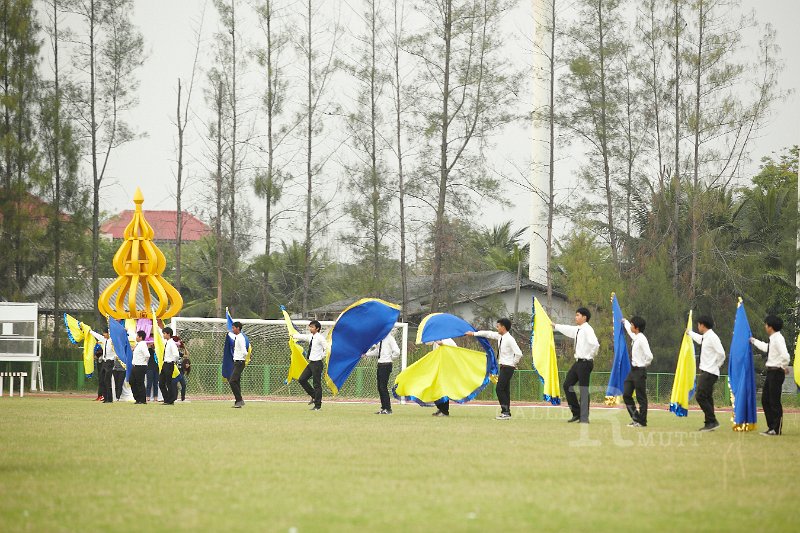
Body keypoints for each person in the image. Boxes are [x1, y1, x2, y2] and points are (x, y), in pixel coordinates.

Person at [467, 318, 523, 420]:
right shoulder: (500, 337)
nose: (497, 328)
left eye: (498, 326)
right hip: (503, 366)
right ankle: (506, 413)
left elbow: (519, 353)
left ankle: (505, 412)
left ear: (503, 327)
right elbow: (488, 334)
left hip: (508, 367)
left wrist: (513, 363)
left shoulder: (510, 339)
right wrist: (474, 334)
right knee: (505, 390)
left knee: (499, 389)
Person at [553, 307, 600, 423]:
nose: (576, 317)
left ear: (584, 317)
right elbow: (568, 329)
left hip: (585, 362)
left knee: (583, 389)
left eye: (578, 315)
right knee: (567, 384)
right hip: (578, 362)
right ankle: (577, 413)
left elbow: (595, 344)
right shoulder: (579, 329)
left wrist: (590, 356)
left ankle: (584, 417)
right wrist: (555, 326)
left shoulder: (588, 329)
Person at [750, 315, 790, 436]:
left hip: (776, 372)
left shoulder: (778, 338)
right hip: (771, 372)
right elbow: (767, 348)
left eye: (766, 324)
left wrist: (783, 366)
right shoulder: (773, 339)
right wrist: (753, 341)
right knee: (765, 399)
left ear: (770, 327)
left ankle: (776, 429)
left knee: (774, 401)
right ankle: (771, 427)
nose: (765, 326)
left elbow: (785, 356)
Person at [686, 316, 726, 432]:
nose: (698, 327)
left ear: (703, 325)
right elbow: (700, 339)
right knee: (707, 397)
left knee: (700, 396)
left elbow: (721, 353)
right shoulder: (706, 337)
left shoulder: (713, 337)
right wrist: (689, 333)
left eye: (698, 324)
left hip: (710, 371)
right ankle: (710, 423)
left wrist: (716, 365)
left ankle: (712, 420)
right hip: (707, 371)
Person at [622, 316, 653, 427]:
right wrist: (624, 322)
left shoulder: (642, 339)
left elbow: (649, 356)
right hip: (633, 371)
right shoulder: (636, 337)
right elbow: (630, 333)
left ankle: (642, 422)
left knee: (641, 398)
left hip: (639, 371)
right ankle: (636, 418)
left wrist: (643, 365)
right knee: (626, 394)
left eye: (631, 324)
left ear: (636, 327)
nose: (630, 326)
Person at [364, 330, 401, 414]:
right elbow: (378, 351)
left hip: (386, 364)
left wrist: (390, 358)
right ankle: (384, 408)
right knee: (380, 387)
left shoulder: (389, 338)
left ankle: (388, 409)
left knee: (383, 386)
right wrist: (366, 354)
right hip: (380, 364)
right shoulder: (380, 339)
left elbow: (397, 351)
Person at [293, 320, 327, 411]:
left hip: (317, 363)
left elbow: (327, 348)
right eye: (310, 326)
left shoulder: (320, 338)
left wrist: (321, 356)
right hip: (311, 363)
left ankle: (318, 406)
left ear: (317, 328)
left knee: (317, 384)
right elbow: (303, 337)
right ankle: (314, 396)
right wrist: (292, 335)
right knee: (302, 379)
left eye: (312, 327)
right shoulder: (311, 337)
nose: (310, 328)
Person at [89, 327, 116, 404]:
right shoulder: (104, 340)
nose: (103, 335)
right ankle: (105, 397)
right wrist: (90, 331)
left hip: (110, 361)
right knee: (102, 380)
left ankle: (109, 399)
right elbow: (98, 336)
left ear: (108, 334)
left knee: (107, 380)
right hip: (104, 361)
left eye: (105, 333)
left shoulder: (112, 341)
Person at [431, 338, 457, 417]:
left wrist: (440, 342)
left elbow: (442, 343)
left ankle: (445, 410)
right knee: (436, 388)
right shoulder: (436, 339)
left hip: (446, 368)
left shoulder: (448, 340)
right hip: (438, 367)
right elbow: (428, 342)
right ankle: (440, 408)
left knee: (443, 389)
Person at [227, 321, 248, 408]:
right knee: (236, 381)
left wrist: (244, 356)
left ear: (238, 328)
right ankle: (238, 401)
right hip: (237, 362)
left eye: (233, 328)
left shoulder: (240, 338)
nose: (233, 329)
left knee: (232, 381)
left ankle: (239, 400)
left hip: (240, 362)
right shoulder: (237, 337)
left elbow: (244, 351)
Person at [159, 327, 179, 406]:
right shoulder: (167, 343)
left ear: (168, 334)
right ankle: (166, 399)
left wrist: (171, 361)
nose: (163, 335)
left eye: (164, 333)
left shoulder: (172, 343)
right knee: (161, 382)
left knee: (168, 383)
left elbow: (176, 355)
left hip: (169, 364)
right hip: (165, 363)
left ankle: (171, 400)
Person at [131, 330, 149, 404]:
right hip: (135, 365)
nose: (136, 337)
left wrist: (143, 362)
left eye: (137, 336)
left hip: (140, 366)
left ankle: (142, 400)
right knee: (132, 381)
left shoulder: (142, 345)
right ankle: (137, 398)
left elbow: (147, 355)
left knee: (140, 383)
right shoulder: (138, 344)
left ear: (140, 337)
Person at [175, 337, 191, 402]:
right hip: (175, 371)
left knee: (183, 385)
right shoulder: (172, 352)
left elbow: (187, 355)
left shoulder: (178, 353)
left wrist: (184, 347)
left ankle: (183, 398)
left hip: (180, 371)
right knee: (174, 385)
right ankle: (174, 398)